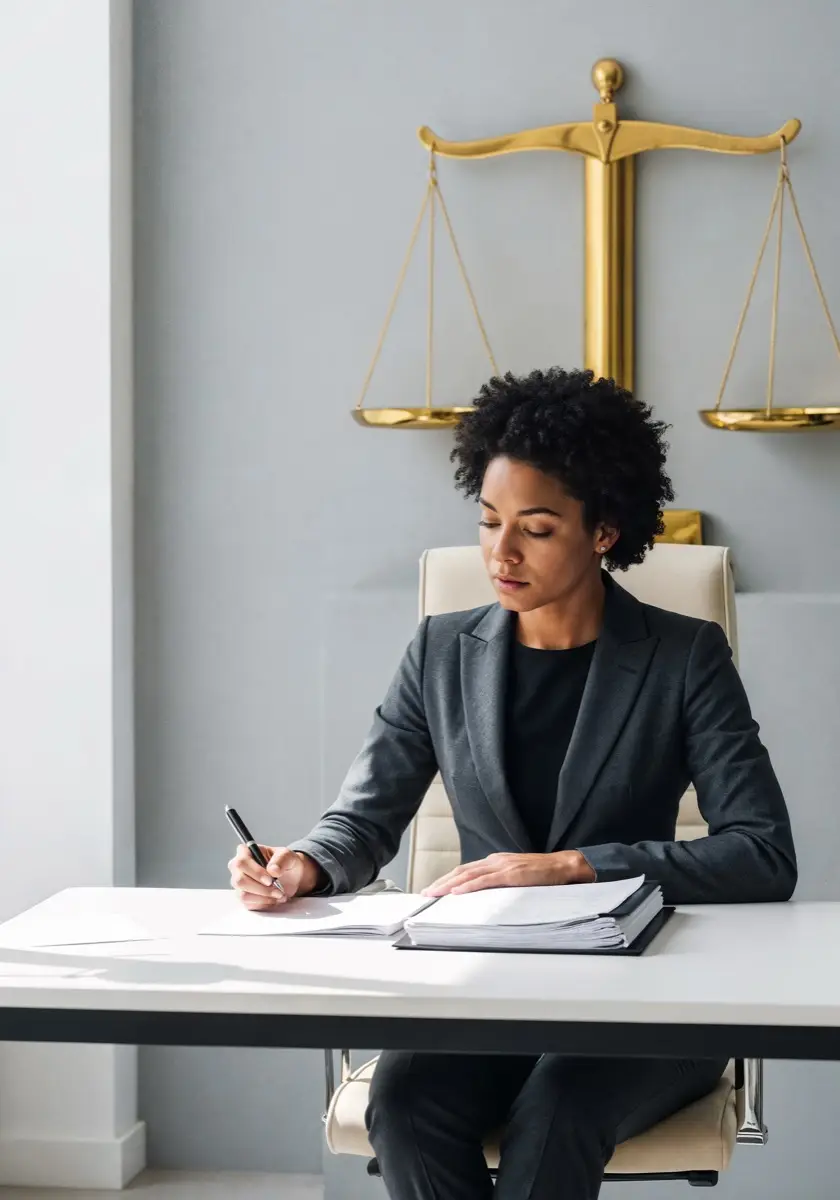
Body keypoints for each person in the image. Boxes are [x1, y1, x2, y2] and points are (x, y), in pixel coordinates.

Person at [228, 367, 797, 1200]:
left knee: (560, 1108)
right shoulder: (441, 651)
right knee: (409, 1102)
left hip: (642, 994)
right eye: (490, 522)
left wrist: (574, 865)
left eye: (535, 528)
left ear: (603, 531)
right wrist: (302, 866)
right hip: (486, 988)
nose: (500, 553)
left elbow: (763, 854)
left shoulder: (684, 658)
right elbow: (365, 816)